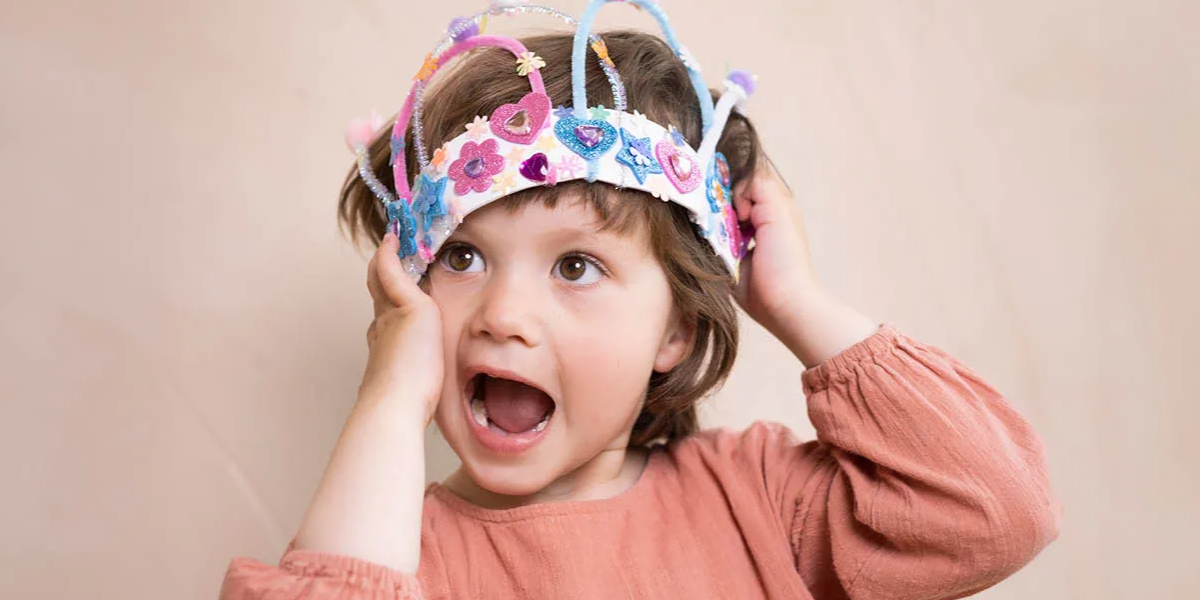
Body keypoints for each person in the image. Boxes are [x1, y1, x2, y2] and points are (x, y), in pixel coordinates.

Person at [219, 3, 1059, 598]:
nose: (502, 314)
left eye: (576, 267)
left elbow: (995, 511)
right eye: (464, 255)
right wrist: (390, 399)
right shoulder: (399, 554)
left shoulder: (757, 502)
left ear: (678, 329)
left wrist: (795, 301)